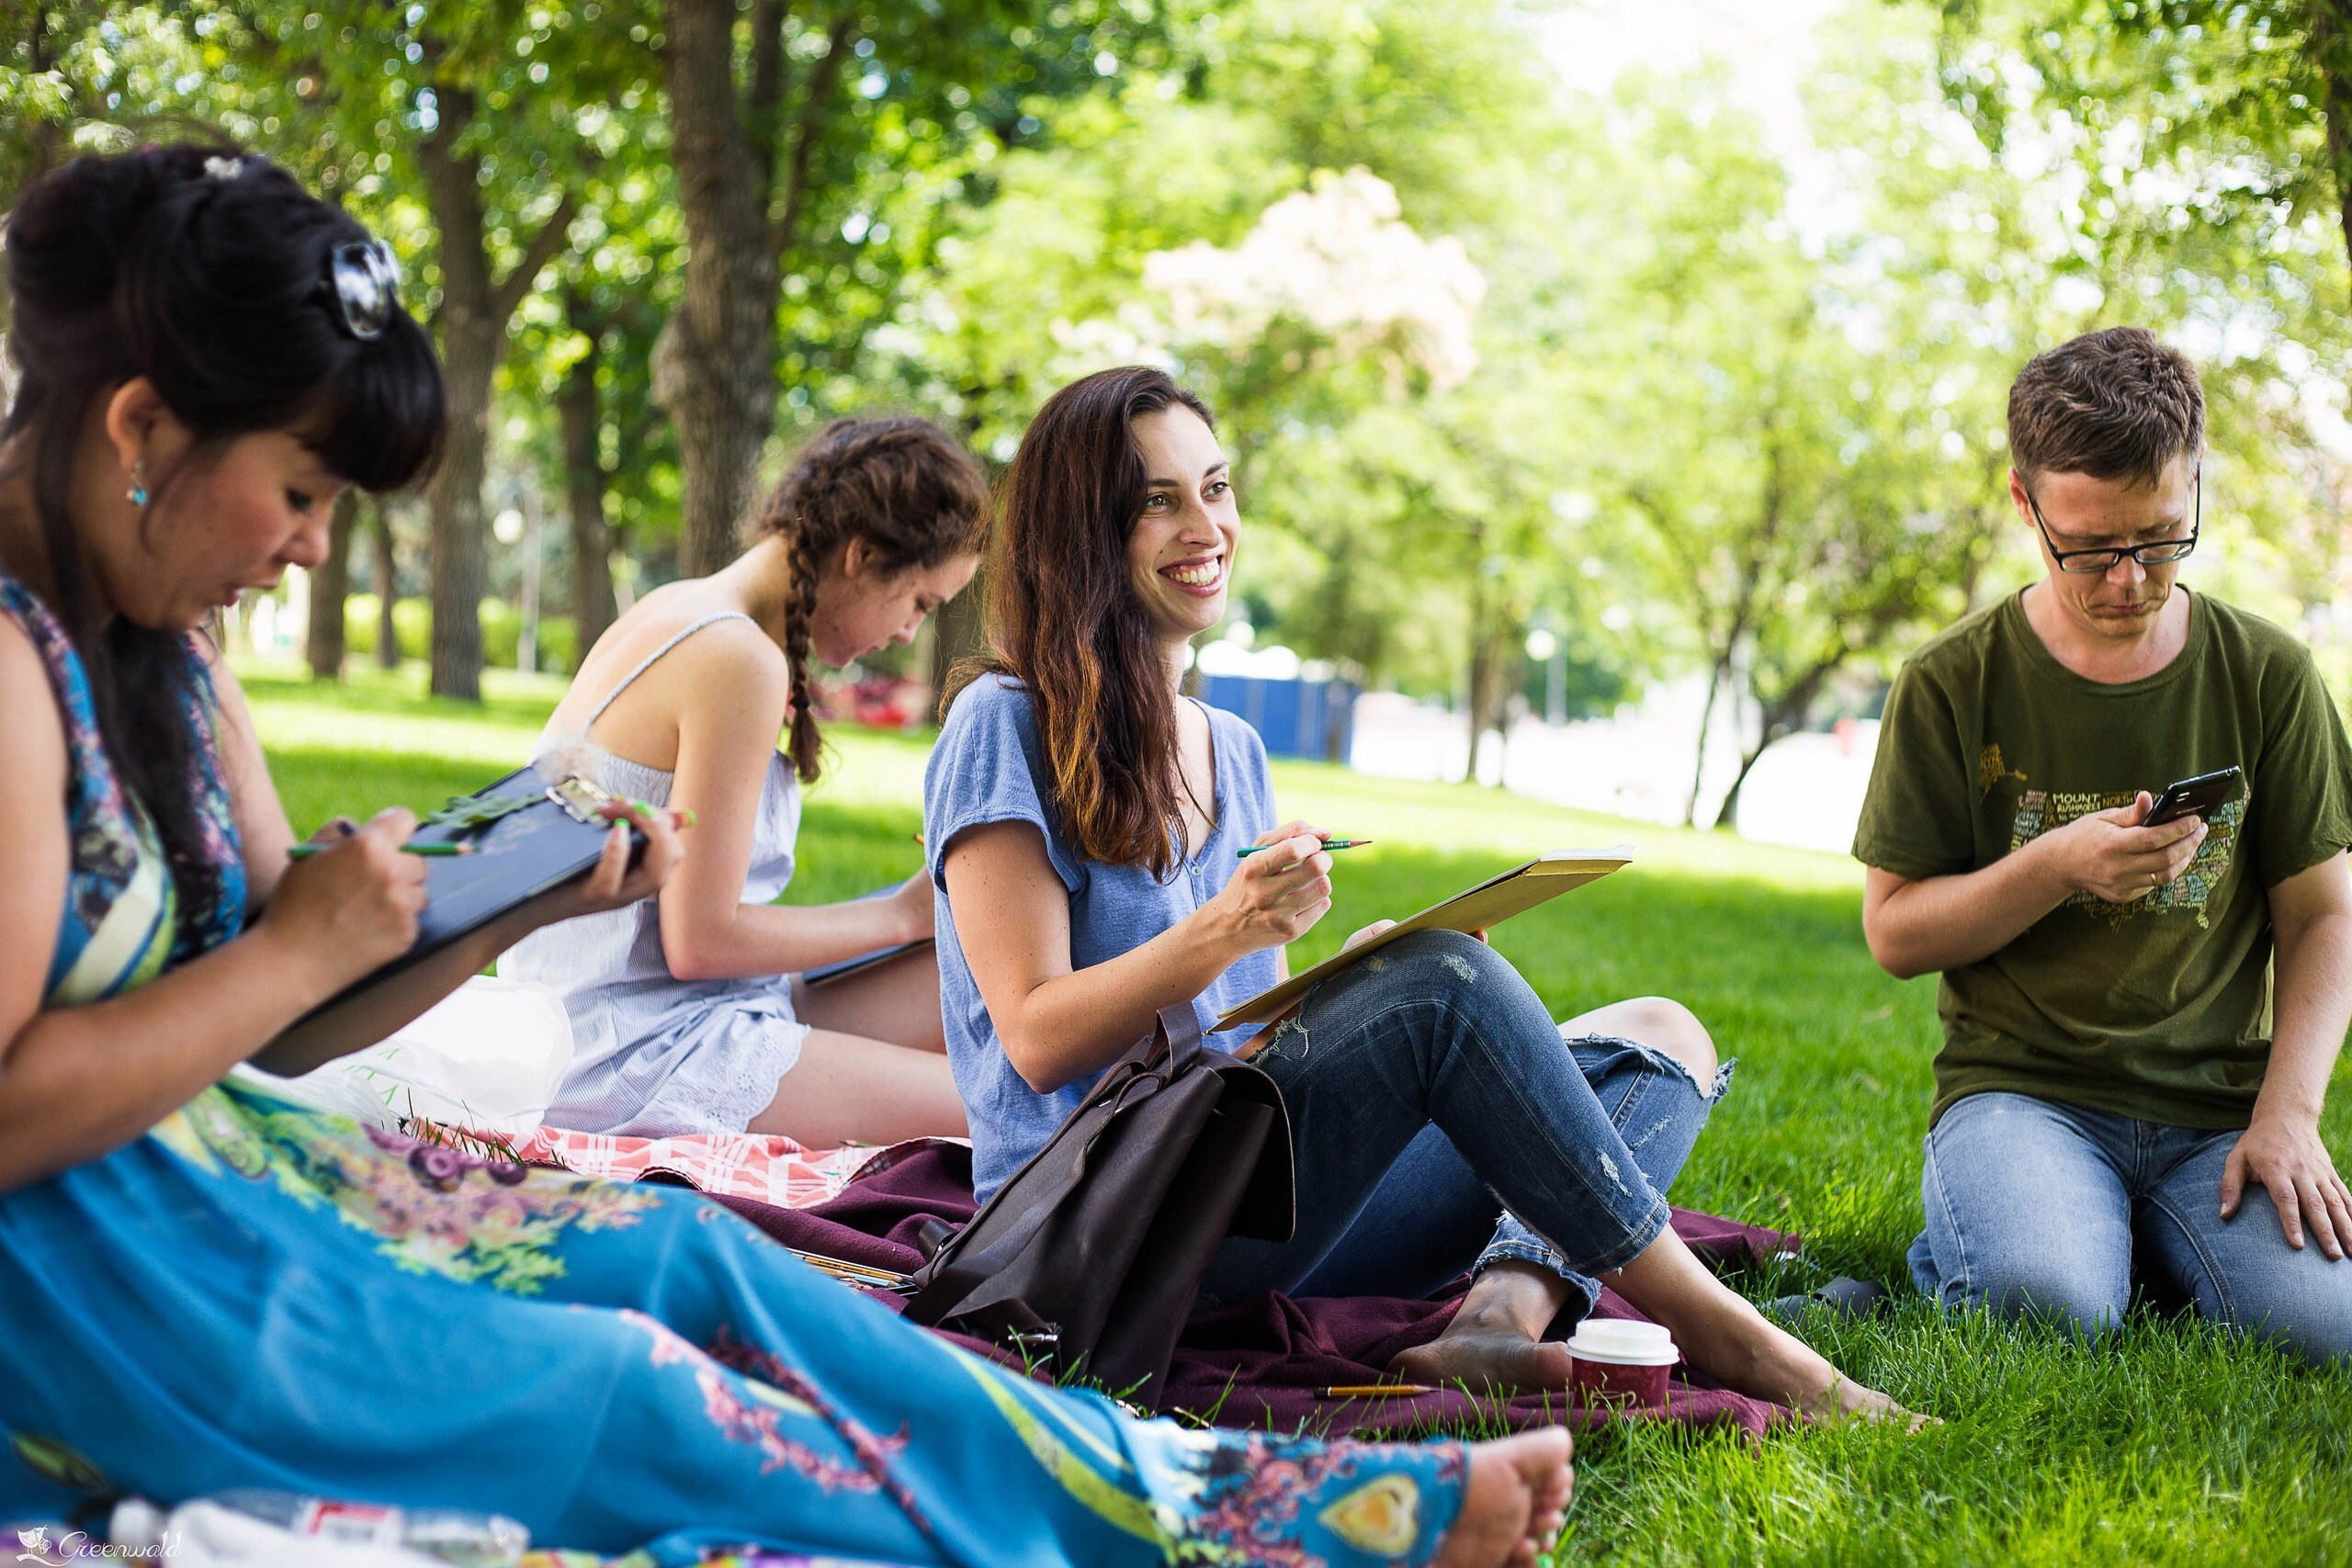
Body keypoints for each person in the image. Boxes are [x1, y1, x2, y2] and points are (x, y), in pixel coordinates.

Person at [0, 146, 1578, 1568]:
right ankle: (1213, 1531)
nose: (311, 548)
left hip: (216, 1168)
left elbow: (276, 1019)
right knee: (618, 1385)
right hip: (92, 1273)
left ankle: (1199, 1490)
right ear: (141, 426)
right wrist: (300, 944)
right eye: (299, 490)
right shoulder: (16, 664)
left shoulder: (172, 647)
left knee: (683, 1250)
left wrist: (479, 910)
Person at [924, 365, 1914, 1420]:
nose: (1203, 525)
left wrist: (1352, 989)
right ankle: (1748, 1347)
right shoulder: (1003, 723)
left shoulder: (1235, 748)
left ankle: (1496, 1318)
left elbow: (1230, 1051)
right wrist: (1234, 933)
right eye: (1157, 500)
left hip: (1262, 1210)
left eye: (1214, 488)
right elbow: (1032, 1038)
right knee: (1444, 988)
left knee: (1655, 1034)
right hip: (1109, 1234)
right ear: (1082, 533)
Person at [1855, 326, 2352, 1363]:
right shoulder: (1951, 680)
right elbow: (1895, 934)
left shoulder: (2267, 674)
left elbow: (2323, 915)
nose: (2128, 579)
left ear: (2196, 486)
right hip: (2025, 1094)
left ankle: (2123, 1243)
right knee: (2048, 1311)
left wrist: (2288, 1115)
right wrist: (2054, 865)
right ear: (2023, 503)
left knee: (2326, 1337)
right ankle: (2044, 1235)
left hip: (2219, 1112)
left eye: (2163, 537)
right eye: (2087, 547)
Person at [502, 418, 984, 1145]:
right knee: (1010, 1108)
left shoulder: (689, 609)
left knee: (974, 983)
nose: (909, 633)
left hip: (665, 1004)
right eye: (919, 602)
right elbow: (701, 939)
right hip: (624, 1045)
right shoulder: (736, 657)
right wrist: (905, 914)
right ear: (863, 555)